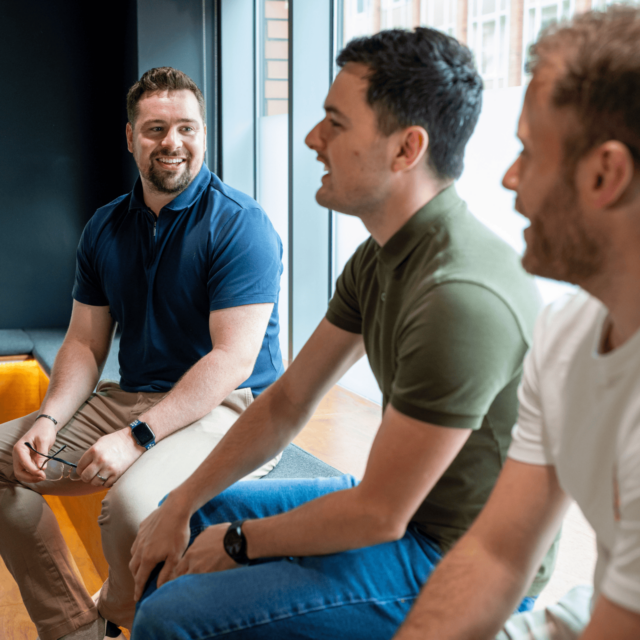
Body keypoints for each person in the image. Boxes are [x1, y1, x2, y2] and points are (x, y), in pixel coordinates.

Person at [129, 29, 549, 640]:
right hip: (406, 512)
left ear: (407, 150)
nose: (311, 139)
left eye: (334, 122)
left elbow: (380, 513)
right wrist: (182, 501)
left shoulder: (458, 295)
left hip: (462, 556)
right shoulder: (381, 257)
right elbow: (289, 400)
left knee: (172, 619)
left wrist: (243, 544)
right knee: (196, 513)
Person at [0, 67, 284, 640]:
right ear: (130, 137)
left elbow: (230, 360)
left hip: (228, 409)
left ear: (204, 134)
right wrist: (51, 420)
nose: (172, 142)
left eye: (186, 128)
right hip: (133, 397)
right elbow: (84, 341)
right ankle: (75, 627)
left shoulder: (240, 225)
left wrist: (136, 438)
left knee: (130, 510)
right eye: (156, 129)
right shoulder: (106, 227)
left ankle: (120, 622)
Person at [392, 7, 640, 640]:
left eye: (528, 152)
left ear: (605, 175)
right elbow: (497, 553)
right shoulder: (566, 333)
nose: (508, 179)